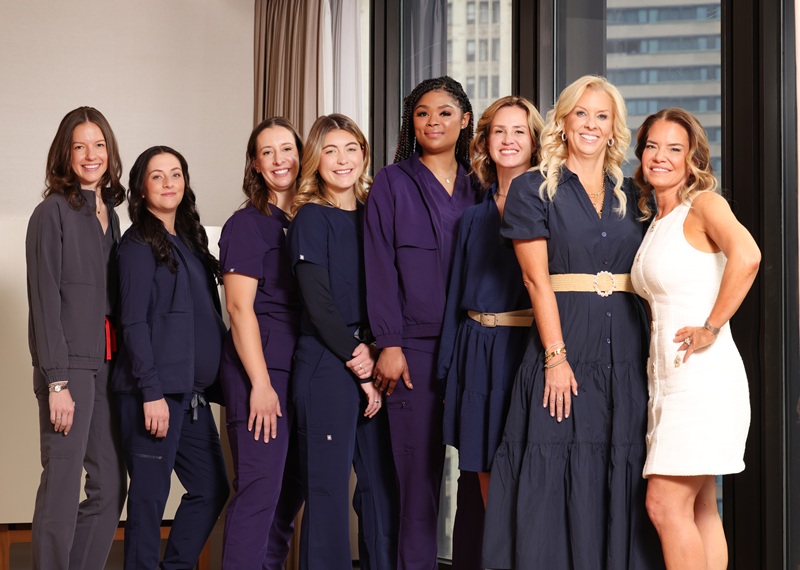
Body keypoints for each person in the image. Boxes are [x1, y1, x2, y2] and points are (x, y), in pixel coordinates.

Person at [482, 75, 664, 569]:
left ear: (614, 127)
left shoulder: (635, 193)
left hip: (627, 354)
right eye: (580, 113)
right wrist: (555, 358)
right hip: (563, 349)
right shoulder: (532, 189)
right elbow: (535, 280)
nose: (590, 124)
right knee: (554, 467)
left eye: (601, 116)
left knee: (621, 468)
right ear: (562, 121)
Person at [630, 108, 760, 570]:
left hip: (703, 382)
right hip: (668, 383)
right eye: (652, 146)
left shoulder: (703, 204)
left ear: (693, 159)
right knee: (701, 509)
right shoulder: (656, 220)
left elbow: (748, 255)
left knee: (664, 506)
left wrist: (711, 326)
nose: (659, 156)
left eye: (674, 148)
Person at [364, 75, 476, 569]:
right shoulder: (391, 182)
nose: (433, 121)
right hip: (413, 348)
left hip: (473, 345)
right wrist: (389, 343)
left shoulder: (481, 185)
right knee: (417, 482)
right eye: (423, 113)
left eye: (445, 112)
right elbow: (379, 265)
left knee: (476, 475)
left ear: (465, 120)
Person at [287, 114, 397, 570]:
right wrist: (361, 363)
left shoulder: (376, 214)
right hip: (327, 363)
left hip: (375, 358)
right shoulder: (311, 218)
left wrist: (377, 356)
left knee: (380, 490)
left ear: (364, 155)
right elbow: (318, 303)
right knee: (328, 494)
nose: (342, 159)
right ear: (315, 160)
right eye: (329, 151)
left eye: (351, 148)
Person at [112, 146, 229, 570]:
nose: (168, 183)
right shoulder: (137, 245)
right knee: (149, 499)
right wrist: (151, 392)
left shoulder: (190, 242)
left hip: (190, 395)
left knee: (211, 488)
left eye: (175, 174)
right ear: (141, 188)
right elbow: (132, 323)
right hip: (155, 394)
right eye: (157, 175)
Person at [25, 106, 127, 570]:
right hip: (67, 368)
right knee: (62, 487)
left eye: (99, 145)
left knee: (110, 486)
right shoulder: (51, 213)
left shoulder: (111, 216)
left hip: (107, 365)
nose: (91, 155)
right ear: (64, 154)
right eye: (79, 146)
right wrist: (57, 381)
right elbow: (44, 300)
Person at [438, 96, 544, 505]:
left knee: (529, 466)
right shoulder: (472, 217)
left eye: (519, 131)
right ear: (485, 141)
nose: (508, 139)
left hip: (527, 349)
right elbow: (455, 297)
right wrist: (447, 370)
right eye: (499, 131)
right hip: (477, 350)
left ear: (534, 143)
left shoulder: (551, 206)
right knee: (483, 467)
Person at [219, 117, 305, 569]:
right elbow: (239, 309)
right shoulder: (246, 225)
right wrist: (261, 383)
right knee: (260, 489)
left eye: (286, 149)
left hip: (302, 367)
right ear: (255, 163)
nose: (279, 160)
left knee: (290, 492)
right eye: (267, 152)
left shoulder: (309, 219)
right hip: (260, 369)